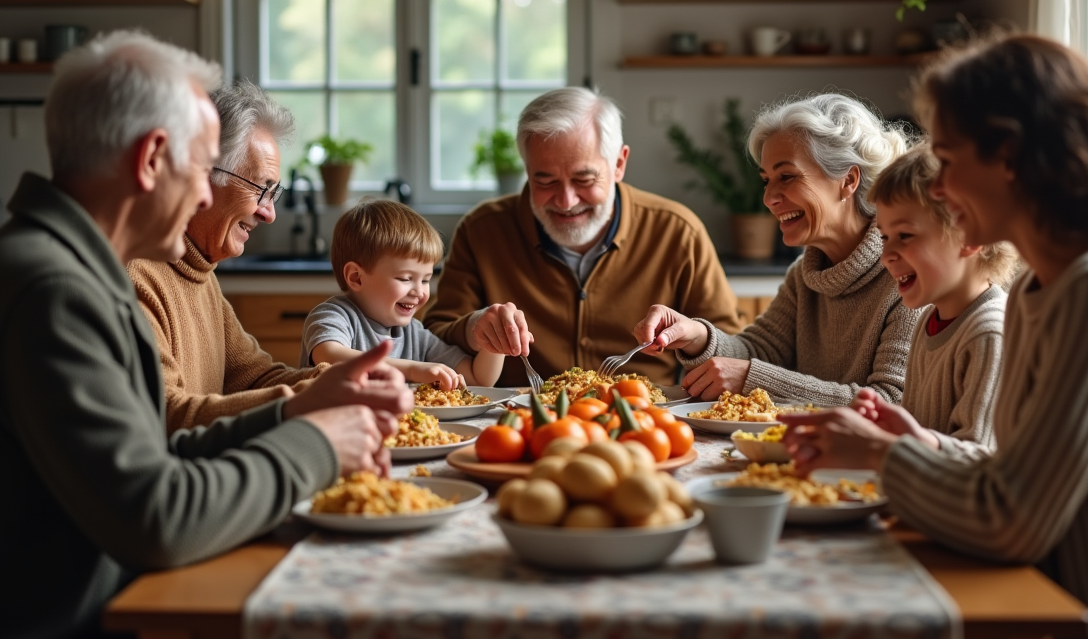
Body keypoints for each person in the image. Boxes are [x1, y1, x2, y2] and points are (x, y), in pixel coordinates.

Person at [782, 35, 1088, 639]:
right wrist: (919, 444)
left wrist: (880, 455)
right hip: (1059, 607)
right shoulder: (1042, 286)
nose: (941, 187)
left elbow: (1014, 519)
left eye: (948, 161)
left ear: (1007, 156)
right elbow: (1011, 474)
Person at [0, 31, 412, 639]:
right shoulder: (56, 289)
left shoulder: (79, 272)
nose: (200, 194)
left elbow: (155, 458)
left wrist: (313, 401)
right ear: (150, 159)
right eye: (199, 168)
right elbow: (158, 517)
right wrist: (316, 443)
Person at [423, 87, 742, 387]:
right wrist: (473, 328)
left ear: (619, 164)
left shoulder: (678, 231)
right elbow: (431, 339)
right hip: (518, 423)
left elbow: (732, 347)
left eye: (583, 179)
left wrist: (696, 337)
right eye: (544, 181)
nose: (566, 201)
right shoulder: (482, 230)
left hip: (645, 421)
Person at [634, 93, 918, 405]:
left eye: (787, 177)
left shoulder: (907, 276)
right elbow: (760, 351)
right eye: (767, 180)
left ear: (848, 180)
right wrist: (695, 336)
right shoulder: (807, 274)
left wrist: (752, 378)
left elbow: (890, 402)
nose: (769, 198)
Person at [128, 79, 325, 431]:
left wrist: (335, 379)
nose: (269, 213)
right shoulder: (137, 275)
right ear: (205, 176)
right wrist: (304, 399)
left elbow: (253, 377)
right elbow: (166, 414)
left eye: (273, 194)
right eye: (261, 189)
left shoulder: (199, 269)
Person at [852, 143, 1018, 458]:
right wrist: (881, 426)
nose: (886, 256)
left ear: (970, 236)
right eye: (884, 237)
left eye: (905, 236)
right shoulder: (928, 322)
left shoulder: (989, 332)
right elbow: (919, 436)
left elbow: (979, 464)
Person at [300, 199, 505, 388]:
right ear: (356, 277)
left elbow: (478, 380)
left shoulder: (414, 334)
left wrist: (497, 341)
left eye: (425, 279)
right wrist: (412, 369)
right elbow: (330, 356)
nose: (419, 291)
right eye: (405, 278)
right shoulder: (332, 316)